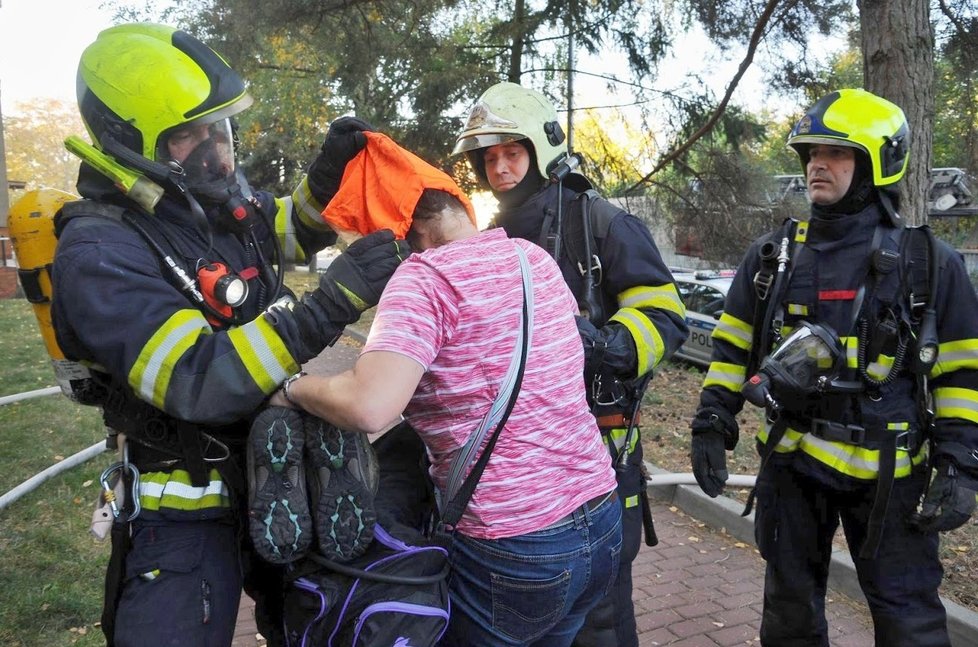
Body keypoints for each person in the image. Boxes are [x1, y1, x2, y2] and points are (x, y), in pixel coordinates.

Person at [50, 23, 408, 647]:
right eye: (192, 133)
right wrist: (328, 306)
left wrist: (323, 181)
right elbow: (198, 376)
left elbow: (279, 237)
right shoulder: (99, 250)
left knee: (319, 628)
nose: (219, 147)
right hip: (182, 514)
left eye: (221, 127)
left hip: (274, 482)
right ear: (129, 142)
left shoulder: (198, 205)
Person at [269, 130, 623, 646]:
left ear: (398, 235)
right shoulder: (532, 259)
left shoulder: (424, 278)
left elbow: (370, 404)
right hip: (601, 515)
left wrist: (296, 389)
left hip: (514, 544)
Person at [689, 88, 978, 646]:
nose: (818, 164)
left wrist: (961, 460)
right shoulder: (773, 257)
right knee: (790, 615)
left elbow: (963, 371)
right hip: (795, 466)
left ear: (876, 162)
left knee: (909, 621)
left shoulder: (927, 263)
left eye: (837, 153)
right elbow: (731, 347)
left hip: (893, 476)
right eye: (812, 153)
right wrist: (711, 419)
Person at [450, 81, 689, 647]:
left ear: (541, 148)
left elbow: (665, 314)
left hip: (599, 452)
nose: (501, 168)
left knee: (601, 615)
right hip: (518, 463)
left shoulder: (601, 223)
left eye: (512, 153)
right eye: (490, 158)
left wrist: (608, 345)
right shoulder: (491, 239)